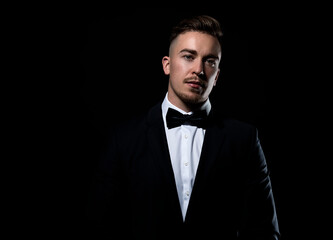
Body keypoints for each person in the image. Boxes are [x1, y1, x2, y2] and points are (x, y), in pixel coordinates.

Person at [86, 15, 280, 239]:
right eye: (188, 56)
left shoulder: (244, 139)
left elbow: (264, 231)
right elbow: (99, 227)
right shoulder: (124, 138)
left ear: (216, 76)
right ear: (167, 65)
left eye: (210, 61)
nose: (198, 69)